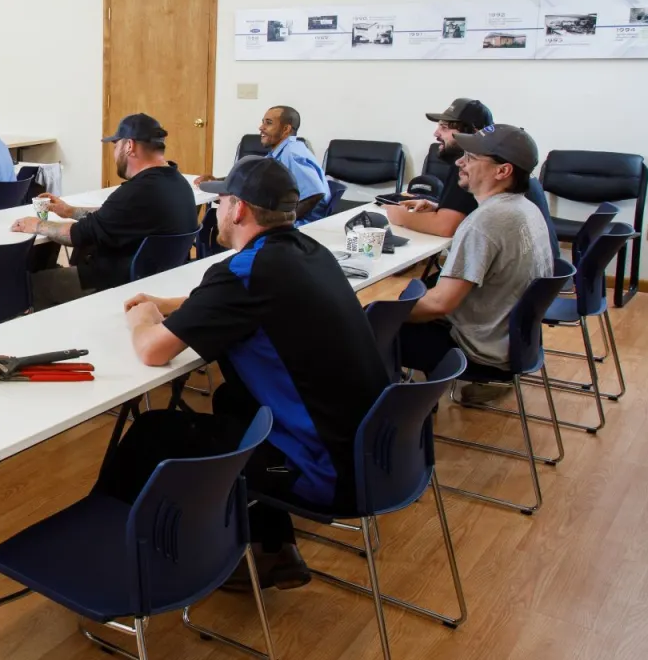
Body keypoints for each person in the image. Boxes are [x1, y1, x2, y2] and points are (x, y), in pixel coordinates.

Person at [110, 158, 390, 589]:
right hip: (371, 455)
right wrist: (171, 303)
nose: (216, 209)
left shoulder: (243, 273)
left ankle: (117, 566)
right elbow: (236, 297)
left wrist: (143, 318)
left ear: (238, 209)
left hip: (325, 475)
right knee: (233, 402)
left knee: (153, 433)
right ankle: (272, 551)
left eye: (220, 200)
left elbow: (152, 351)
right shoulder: (308, 252)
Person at [396, 125, 553, 402]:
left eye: (470, 157)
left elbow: (439, 305)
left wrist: (370, 312)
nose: (460, 162)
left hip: (477, 351)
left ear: (502, 171)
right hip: (511, 343)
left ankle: (401, 419)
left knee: (361, 330)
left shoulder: (486, 222)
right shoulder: (525, 208)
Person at [9, 113, 199, 308]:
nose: (115, 154)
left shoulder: (136, 192)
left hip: (112, 284)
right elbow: (112, 219)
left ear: (129, 146)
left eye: (116, 146)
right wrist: (70, 211)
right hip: (156, 280)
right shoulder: (177, 183)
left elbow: (76, 236)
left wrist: (36, 224)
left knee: (31, 284)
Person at [384, 98, 494, 237]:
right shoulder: (485, 158)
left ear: (473, 133)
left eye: (444, 128)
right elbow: (472, 213)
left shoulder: (470, 166)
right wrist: (439, 207)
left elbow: (446, 227)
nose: (436, 134)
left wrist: (400, 216)